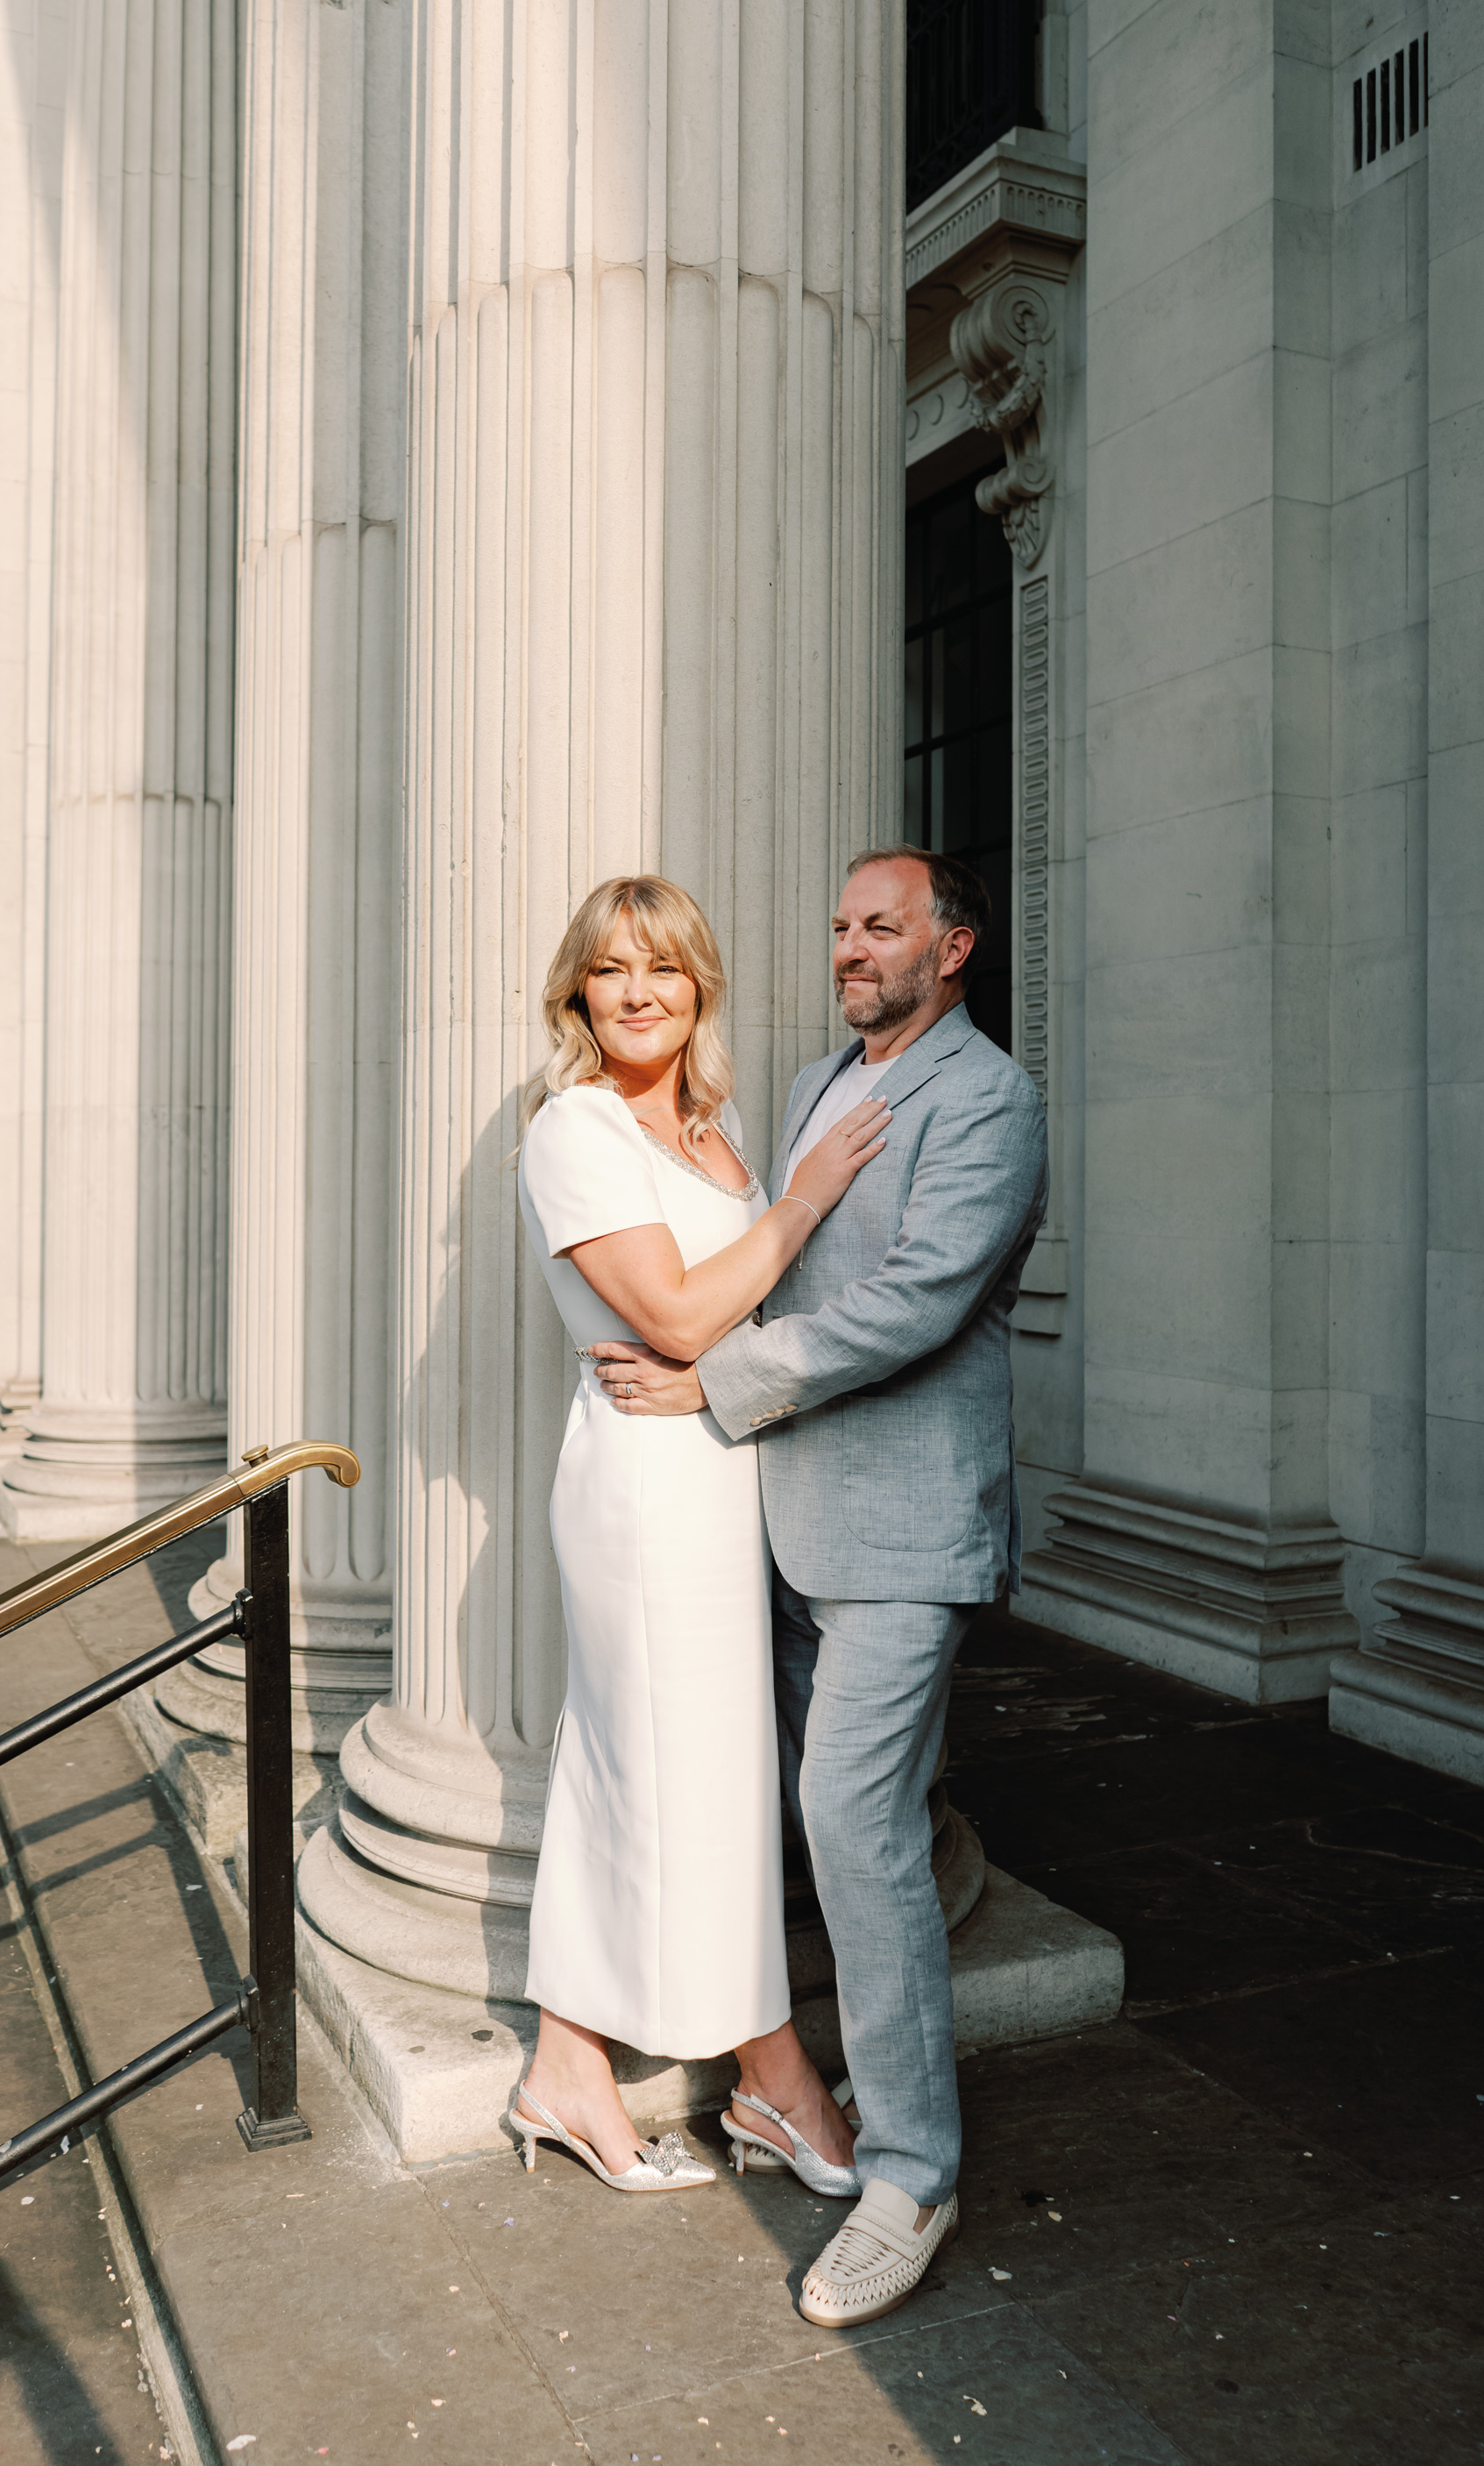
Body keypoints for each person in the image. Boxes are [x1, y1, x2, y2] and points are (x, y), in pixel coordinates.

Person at [592, 845, 1048, 2322]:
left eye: (882, 927)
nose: (851, 948)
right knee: (846, 1823)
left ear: (954, 945)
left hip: (908, 1531)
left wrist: (707, 1382)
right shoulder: (808, 1087)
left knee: (852, 1818)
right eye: (840, 925)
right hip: (782, 1522)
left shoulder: (988, 1101)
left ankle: (914, 2171)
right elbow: (771, 1260)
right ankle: (839, 2077)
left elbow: (917, 1302)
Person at [509, 875, 890, 2195]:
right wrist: (806, 1201)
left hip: (724, 1476)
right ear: (579, 993)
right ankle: (776, 2083)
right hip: (644, 1490)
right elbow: (676, 1318)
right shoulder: (577, 1130)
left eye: (662, 968)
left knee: (645, 1769)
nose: (637, 991)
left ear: (699, 987)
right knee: (694, 1779)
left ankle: (565, 2065)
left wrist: (768, 1226)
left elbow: (744, 1332)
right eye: (610, 970)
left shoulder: (717, 1137)